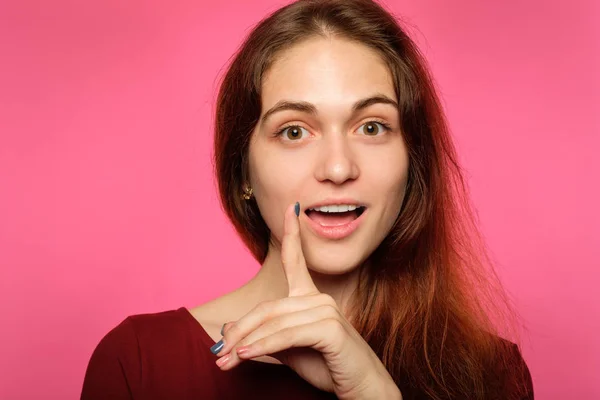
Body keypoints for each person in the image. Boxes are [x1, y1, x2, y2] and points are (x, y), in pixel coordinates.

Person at [80, 0, 534, 399]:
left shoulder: (492, 374)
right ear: (243, 170)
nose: (338, 169)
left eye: (372, 127)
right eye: (294, 131)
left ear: (412, 161)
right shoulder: (140, 366)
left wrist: (372, 395)